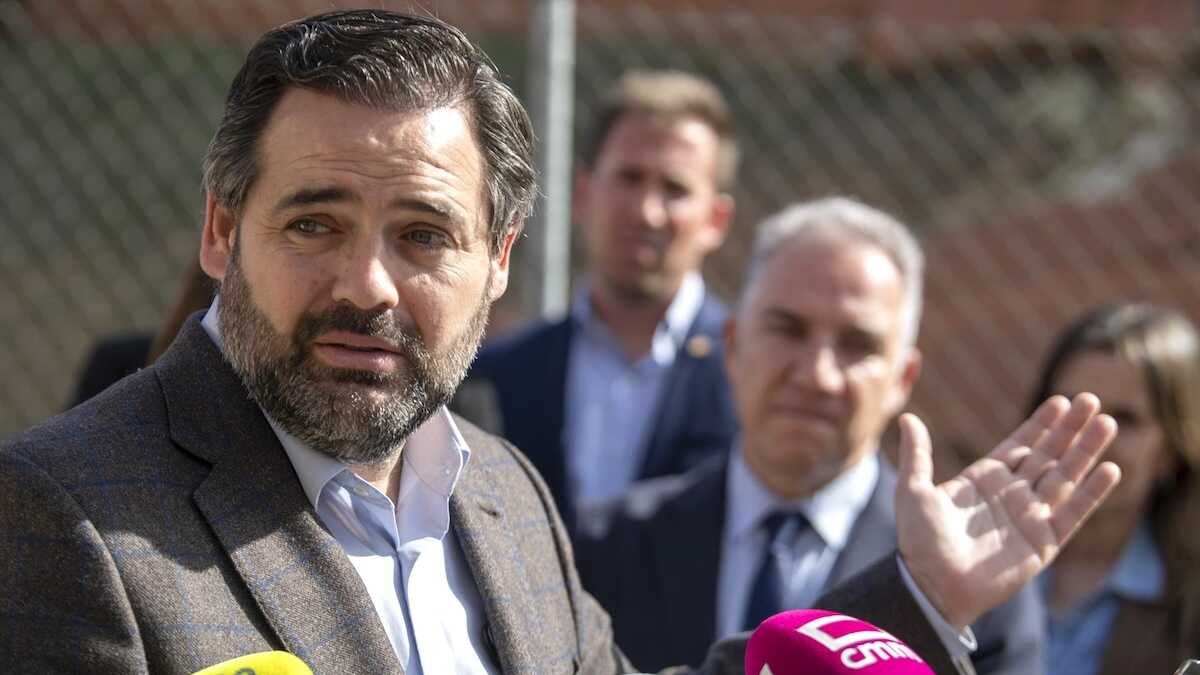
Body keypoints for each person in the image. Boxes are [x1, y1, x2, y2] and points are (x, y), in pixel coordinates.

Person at [0, 10, 1120, 673]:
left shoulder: (502, 495)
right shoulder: (67, 515)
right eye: (313, 224)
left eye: (425, 234)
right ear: (221, 228)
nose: (368, 285)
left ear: (500, 259)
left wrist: (917, 594)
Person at [576, 198, 1045, 673]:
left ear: (902, 379)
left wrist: (927, 603)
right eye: (788, 330)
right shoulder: (606, 548)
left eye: (857, 344)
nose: (817, 375)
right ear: (733, 345)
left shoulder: (972, 589)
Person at [469, 70, 738, 523]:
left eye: (675, 189)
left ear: (716, 220)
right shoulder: (494, 377)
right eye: (629, 178)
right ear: (583, 194)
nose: (646, 212)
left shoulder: (750, 376)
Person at [1028, 304, 1200, 674]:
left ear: (1172, 450)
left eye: (1125, 418)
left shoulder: (1188, 610)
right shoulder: (967, 565)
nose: (1091, 437)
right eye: (1073, 409)